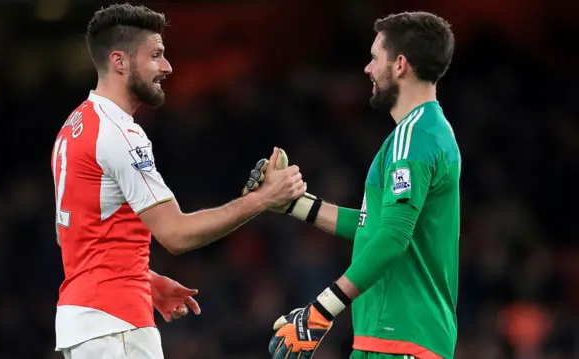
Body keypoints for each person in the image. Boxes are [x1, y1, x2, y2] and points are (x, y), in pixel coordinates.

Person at [51, 4, 305, 359]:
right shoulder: (119, 133)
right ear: (120, 61)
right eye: (155, 55)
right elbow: (176, 234)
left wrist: (144, 278)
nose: (167, 67)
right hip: (116, 323)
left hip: (87, 322)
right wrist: (262, 199)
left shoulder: (73, 127)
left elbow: (79, 236)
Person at [247, 11, 459, 359]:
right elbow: (373, 226)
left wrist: (321, 309)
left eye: (375, 58)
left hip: (401, 334)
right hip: (397, 336)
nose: (368, 69)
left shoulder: (414, 137)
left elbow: (393, 237)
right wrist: (291, 203)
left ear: (400, 65)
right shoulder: (426, 132)